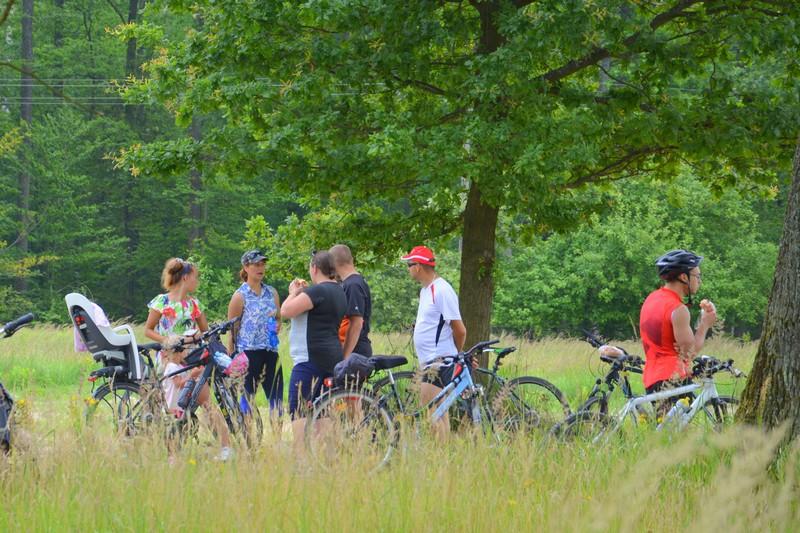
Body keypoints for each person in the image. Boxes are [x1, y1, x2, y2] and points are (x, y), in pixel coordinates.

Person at [144, 258, 233, 460]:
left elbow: (205, 333)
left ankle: (225, 448)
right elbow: (148, 330)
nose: (197, 281)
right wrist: (169, 341)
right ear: (185, 278)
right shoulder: (161, 302)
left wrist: (196, 338)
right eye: (195, 277)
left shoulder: (194, 305)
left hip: (192, 361)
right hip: (170, 361)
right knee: (175, 408)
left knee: (207, 402)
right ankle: (173, 453)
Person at [280, 251, 347, 437]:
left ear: (315, 268)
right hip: (332, 357)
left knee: (298, 409)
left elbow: (285, 311)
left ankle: (301, 453)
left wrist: (293, 293)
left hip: (309, 358)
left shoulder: (318, 291)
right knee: (322, 410)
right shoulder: (339, 291)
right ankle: (323, 452)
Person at [402, 245, 467, 436]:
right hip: (429, 359)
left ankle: (437, 451)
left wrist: (454, 354)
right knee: (439, 413)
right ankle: (444, 451)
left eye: (409, 264)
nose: (408, 269)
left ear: (418, 267)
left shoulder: (442, 290)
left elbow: (460, 330)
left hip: (438, 360)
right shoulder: (426, 290)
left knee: (430, 412)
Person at [639, 249, 717, 403]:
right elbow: (689, 352)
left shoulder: (651, 299)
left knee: (664, 420)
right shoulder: (678, 309)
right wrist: (705, 325)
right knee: (678, 420)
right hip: (674, 377)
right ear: (684, 277)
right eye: (697, 276)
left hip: (652, 378)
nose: (699, 281)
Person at [227, 250, 284, 415]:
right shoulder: (240, 296)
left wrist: (277, 325)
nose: (261, 268)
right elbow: (232, 328)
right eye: (256, 265)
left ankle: (277, 431)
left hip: (270, 350)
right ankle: (247, 430)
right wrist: (231, 354)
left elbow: (278, 317)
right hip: (248, 353)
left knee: (277, 400)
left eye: (263, 264)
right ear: (246, 267)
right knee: (248, 399)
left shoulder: (272, 292)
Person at [329, 244, 373, 358]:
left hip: (356, 351)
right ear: (351, 260)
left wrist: (344, 356)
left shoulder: (353, 285)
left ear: (333, 264)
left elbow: (356, 323)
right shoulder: (351, 283)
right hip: (353, 350)